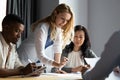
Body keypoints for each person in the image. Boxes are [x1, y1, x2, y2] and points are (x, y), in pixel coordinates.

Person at [17, 3, 74, 71]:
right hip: (22, 58)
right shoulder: (42, 27)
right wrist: (57, 65)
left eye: (67, 20)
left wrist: (58, 69)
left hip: (33, 61)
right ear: (55, 13)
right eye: (62, 18)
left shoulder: (58, 30)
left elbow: (57, 50)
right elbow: (41, 55)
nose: (64, 22)